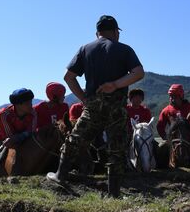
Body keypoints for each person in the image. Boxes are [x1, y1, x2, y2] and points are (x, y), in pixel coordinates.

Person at [46, 15, 144, 197]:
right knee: (116, 147)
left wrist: (84, 98)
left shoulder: (85, 49)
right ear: (116, 32)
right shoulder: (124, 49)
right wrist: (115, 84)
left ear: (97, 33)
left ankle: (60, 175)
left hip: (93, 105)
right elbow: (138, 73)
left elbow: (68, 77)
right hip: (116, 107)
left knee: (75, 138)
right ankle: (113, 193)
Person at [156, 84, 190, 165]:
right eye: (170, 97)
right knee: (161, 148)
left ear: (181, 96)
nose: (172, 99)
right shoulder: (166, 110)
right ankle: (161, 170)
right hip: (173, 139)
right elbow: (160, 126)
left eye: (174, 97)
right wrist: (166, 137)